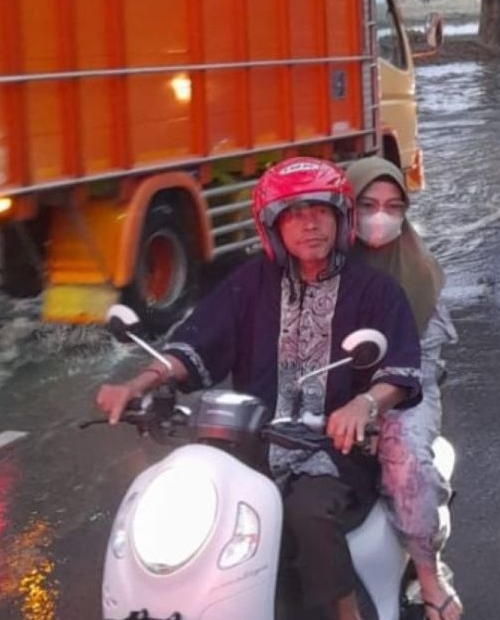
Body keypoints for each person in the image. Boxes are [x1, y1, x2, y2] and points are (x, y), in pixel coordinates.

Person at [95, 157, 423, 620]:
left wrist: (363, 403)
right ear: (272, 227)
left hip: (334, 453)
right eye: (294, 214)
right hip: (252, 445)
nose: (310, 225)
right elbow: (198, 340)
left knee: (308, 513)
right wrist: (142, 381)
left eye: (320, 212)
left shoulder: (375, 290)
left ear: (339, 218)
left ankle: (347, 614)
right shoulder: (251, 282)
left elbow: (401, 367)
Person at [344, 158, 463, 620]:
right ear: (347, 208)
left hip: (405, 393)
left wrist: (376, 405)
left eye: (393, 206)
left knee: (406, 465)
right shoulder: (321, 266)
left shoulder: (417, 271)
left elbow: (421, 363)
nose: (380, 216)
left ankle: (429, 575)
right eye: (368, 205)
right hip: (331, 395)